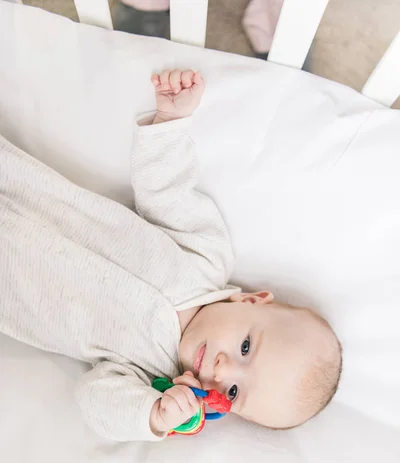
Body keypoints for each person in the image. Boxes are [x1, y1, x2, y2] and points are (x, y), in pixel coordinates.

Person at [0, 68, 342, 441]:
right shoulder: (206, 258)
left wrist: (153, 415)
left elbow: (95, 400)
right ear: (251, 300)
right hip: (30, 194)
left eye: (233, 392)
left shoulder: (149, 375)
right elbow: (167, 192)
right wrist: (168, 124)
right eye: (245, 347)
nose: (223, 370)